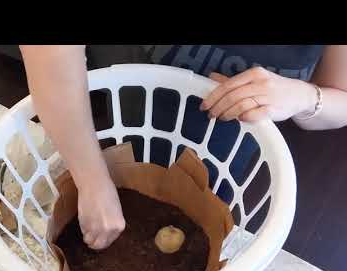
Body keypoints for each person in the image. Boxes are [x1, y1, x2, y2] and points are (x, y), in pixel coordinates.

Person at [19, 45, 347, 250]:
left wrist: (302, 97)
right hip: (137, 123)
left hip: (229, 154)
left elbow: (339, 99)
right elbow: (49, 52)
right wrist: (91, 180)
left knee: (202, 214)